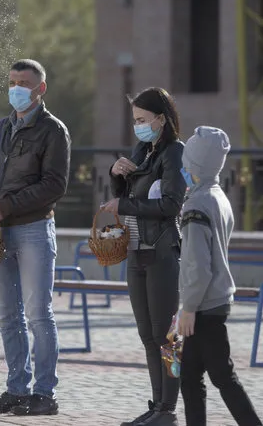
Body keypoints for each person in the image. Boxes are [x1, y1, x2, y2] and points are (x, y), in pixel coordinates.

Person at [0, 59, 70, 416]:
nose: (16, 88)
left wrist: (6, 206)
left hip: (33, 231)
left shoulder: (54, 131)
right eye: (12, 81)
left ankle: (45, 394)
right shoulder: (2, 127)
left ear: (40, 89)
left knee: (38, 315)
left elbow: (54, 185)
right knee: (6, 315)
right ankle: (16, 389)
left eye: (24, 82)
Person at [102, 87, 186, 426]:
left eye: (142, 120)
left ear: (161, 119)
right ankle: (157, 406)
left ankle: (169, 409)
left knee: (167, 339)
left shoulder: (174, 153)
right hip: (135, 253)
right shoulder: (142, 151)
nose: (137, 126)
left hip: (163, 254)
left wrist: (123, 204)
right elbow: (125, 195)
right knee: (148, 337)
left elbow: (169, 206)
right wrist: (116, 175)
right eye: (134, 120)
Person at [178, 126, 262, 426]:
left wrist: (188, 308)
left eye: (186, 163)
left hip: (204, 304)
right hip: (215, 300)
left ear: (195, 167)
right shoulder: (218, 196)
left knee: (222, 377)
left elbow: (197, 266)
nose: (182, 169)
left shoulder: (195, 206)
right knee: (189, 377)